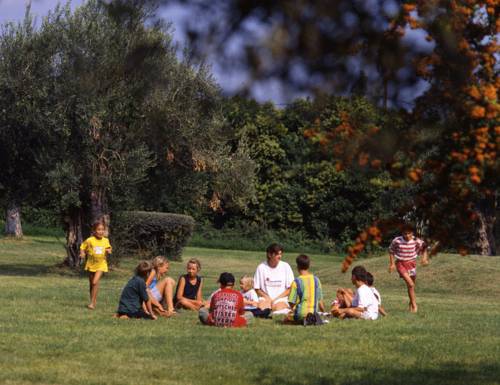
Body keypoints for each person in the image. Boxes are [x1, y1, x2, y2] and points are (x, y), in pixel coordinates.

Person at [389, 224, 429, 312]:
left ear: (412, 233)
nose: (407, 235)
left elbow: (425, 247)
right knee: (411, 284)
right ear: (402, 233)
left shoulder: (416, 240)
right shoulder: (397, 240)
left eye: (409, 233)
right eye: (404, 234)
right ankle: (415, 306)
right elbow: (391, 250)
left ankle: (411, 305)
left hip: (411, 264)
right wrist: (392, 264)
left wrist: (424, 258)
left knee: (411, 286)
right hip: (400, 263)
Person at [254, 243, 294, 315]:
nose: (280, 256)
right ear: (269, 255)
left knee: (278, 308)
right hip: (265, 298)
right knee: (262, 308)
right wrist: (268, 298)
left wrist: (276, 299)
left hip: (281, 298)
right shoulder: (261, 267)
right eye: (277, 254)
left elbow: (290, 288)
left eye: (280, 254)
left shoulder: (286, 266)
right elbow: (257, 289)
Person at [79, 222, 112, 310]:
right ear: (94, 231)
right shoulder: (90, 240)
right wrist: (82, 254)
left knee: (94, 282)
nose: (101, 232)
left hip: (101, 264)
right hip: (91, 264)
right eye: (99, 230)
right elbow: (82, 247)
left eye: (102, 230)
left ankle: (92, 303)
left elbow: (109, 248)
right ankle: (93, 301)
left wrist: (109, 250)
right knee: (91, 284)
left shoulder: (105, 240)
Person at [286, 254, 325, 324]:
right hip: (313, 314)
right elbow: (321, 303)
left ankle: (302, 319)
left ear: (297, 266)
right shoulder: (316, 280)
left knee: (287, 317)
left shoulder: (296, 282)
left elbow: (291, 302)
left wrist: (294, 309)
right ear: (309, 266)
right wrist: (323, 312)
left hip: (300, 314)